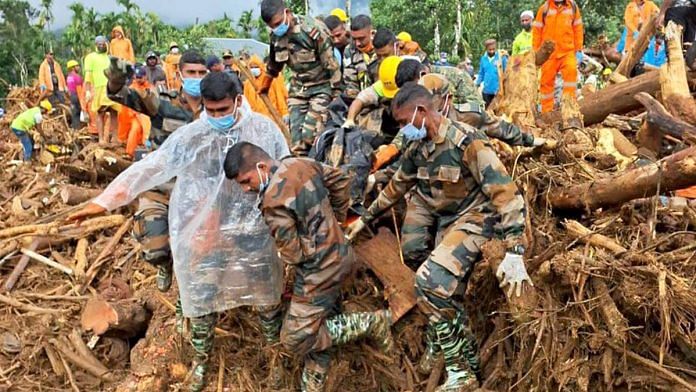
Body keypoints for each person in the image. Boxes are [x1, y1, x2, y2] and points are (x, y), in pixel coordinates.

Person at [67, 71, 289, 392]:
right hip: (204, 235)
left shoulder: (263, 130)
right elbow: (150, 167)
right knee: (201, 302)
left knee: (268, 301)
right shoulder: (191, 136)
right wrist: (103, 202)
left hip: (251, 233)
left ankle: (276, 360)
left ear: (239, 101)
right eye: (210, 111)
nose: (216, 117)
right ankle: (200, 363)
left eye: (223, 110)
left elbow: (286, 169)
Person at [345, 83, 532, 391]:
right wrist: (363, 218)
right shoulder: (418, 146)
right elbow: (398, 184)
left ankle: (462, 374)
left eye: (405, 122)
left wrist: (515, 250)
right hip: (450, 221)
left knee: (428, 284)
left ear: (421, 112)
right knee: (439, 287)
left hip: (477, 219)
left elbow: (505, 193)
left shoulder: (466, 141)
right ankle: (461, 353)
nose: (404, 129)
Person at [224, 141, 394, 392]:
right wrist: (334, 221)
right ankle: (311, 384)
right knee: (322, 321)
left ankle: (371, 322)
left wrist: (294, 251)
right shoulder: (299, 163)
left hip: (319, 271)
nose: (246, 188)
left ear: (261, 166)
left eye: (246, 181)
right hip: (341, 255)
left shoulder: (272, 201)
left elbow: (292, 253)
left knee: (295, 339)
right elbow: (341, 181)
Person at [105, 50, 207, 294]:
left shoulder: (214, 106)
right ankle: (164, 264)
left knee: (201, 255)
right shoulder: (162, 103)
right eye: (191, 72)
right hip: (162, 189)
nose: (196, 77)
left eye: (201, 73)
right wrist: (116, 78)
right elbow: (123, 96)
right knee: (154, 249)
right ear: (180, 74)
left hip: (198, 192)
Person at [259, 0, 341, 156]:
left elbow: (333, 68)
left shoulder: (313, 31)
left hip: (321, 88)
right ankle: (302, 173)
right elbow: (273, 65)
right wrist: (264, 86)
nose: (277, 28)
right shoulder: (275, 37)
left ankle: (320, 166)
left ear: (287, 13)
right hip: (298, 90)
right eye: (272, 26)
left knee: (310, 136)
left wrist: (335, 101)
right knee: (296, 143)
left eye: (278, 23)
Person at [532, 0, 584, 114]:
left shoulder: (573, 7)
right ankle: (547, 113)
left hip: (567, 51)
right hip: (549, 54)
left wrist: (579, 49)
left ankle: (570, 110)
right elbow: (537, 31)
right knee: (546, 83)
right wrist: (536, 52)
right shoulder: (544, 9)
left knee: (571, 78)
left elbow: (578, 29)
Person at [84, 35, 121, 143]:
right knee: (101, 113)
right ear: (96, 45)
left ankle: (114, 137)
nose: (101, 45)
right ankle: (101, 139)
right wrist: (87, 90)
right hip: (100, 89)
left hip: (112, 88)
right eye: (99, 44)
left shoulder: (111, 58)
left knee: (114, 112)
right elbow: (88, 75)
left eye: (103, 43)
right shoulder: (90, 57)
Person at [243, 54, 289, 128]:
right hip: (256, 119)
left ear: (261, 67)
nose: (254, 69)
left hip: (272, 116)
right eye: (251, 67)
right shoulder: (248, 83)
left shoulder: (269, 80)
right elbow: (246, 102)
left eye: (256, 67)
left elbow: (279, 96)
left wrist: (284, 112)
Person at [343, 14, 377, 98]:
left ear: (371, 33)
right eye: (354, 39)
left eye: (361, 39)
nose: (357, 43)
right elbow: (350, 83)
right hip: (360, 99)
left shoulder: (384, 45)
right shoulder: (349, 50)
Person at [658, 0, 696, 68]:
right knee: (682, 49)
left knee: (675, 52)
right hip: (688, 12)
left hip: (679, 11)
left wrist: (662, 14)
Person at [476, 39, 507, 108]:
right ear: (486, 49)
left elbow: (506, 72)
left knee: (498, 111)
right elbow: (481, 73)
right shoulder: (483, 59)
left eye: (493, 49)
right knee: (488, 112)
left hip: (498, 92)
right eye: (490, 50)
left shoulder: (502, 58)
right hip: (486, 92)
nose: (492, 51)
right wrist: (477, 84)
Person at [66, 60, 85, 130]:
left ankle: (74, 129)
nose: (79, 67)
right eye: (77, 66)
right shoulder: (77, 77)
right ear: (73, 68)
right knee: (79, 113)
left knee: (74, 114)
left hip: (72, 96)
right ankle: (79, 129)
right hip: (77, 95)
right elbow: (80, 89)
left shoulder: (68, 77)